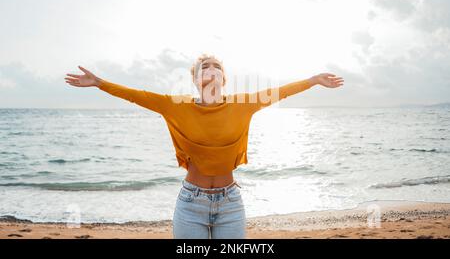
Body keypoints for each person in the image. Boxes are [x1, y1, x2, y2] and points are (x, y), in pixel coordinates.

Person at [64, 54, 344, 238]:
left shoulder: (243, 104)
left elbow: (280, 92)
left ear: (224, 79)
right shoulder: (174, 106)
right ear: (196, 80)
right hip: (190, 203)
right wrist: (98, 83)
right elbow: (135, 96)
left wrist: (313, 81)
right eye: (203, 68)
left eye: (217, 67)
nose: (211, 71)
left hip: (231, 203)